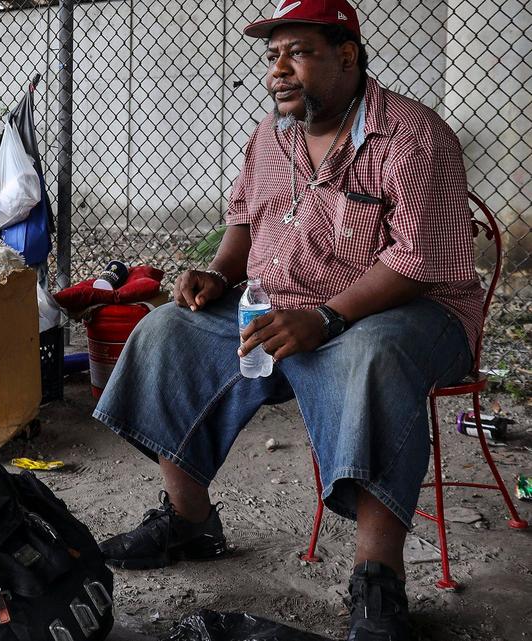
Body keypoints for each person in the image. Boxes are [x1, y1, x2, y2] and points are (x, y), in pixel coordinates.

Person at [92, 2, 483, 640]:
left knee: (373, 357)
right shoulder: (272, 136)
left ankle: (377, 579)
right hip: (281, 304)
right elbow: (244, 222)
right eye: (273, 55)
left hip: (405, 311)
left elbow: (416, 263)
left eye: (297, 51)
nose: (279, 69)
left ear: (347, 55)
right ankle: (191, 521)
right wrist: (218, 273)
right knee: (166, 330)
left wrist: (326, 320)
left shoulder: (412, 135)